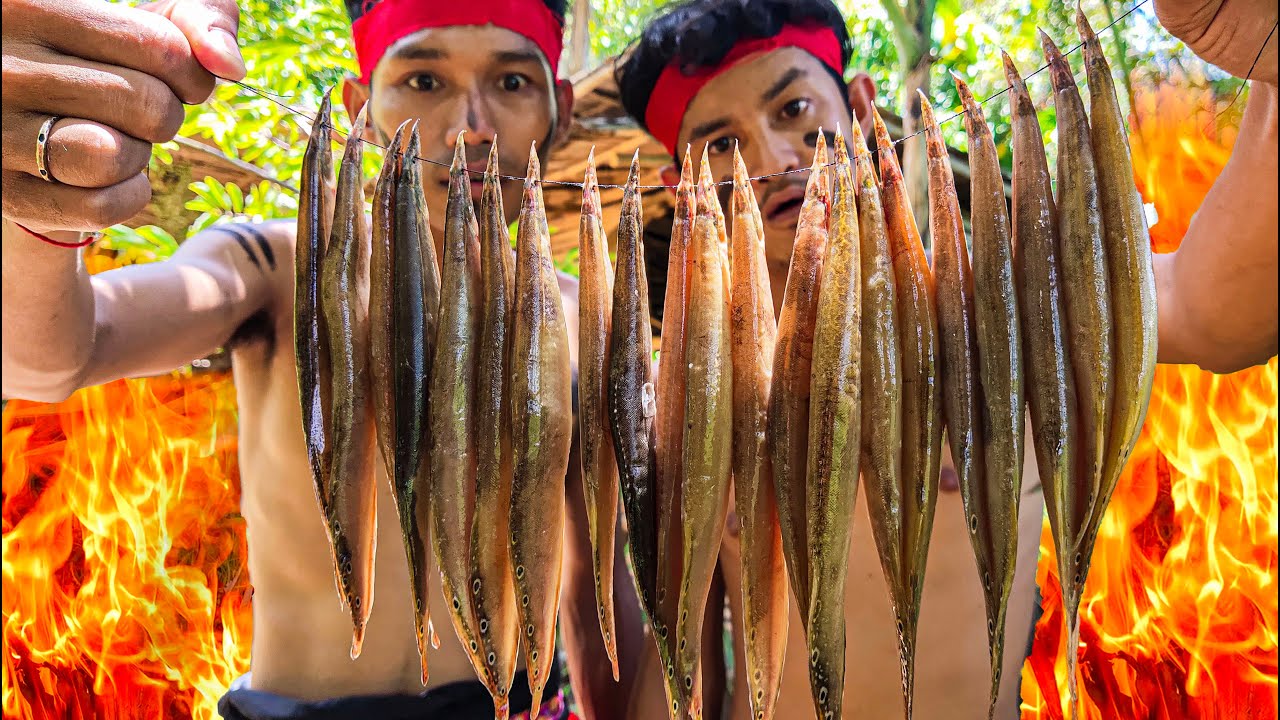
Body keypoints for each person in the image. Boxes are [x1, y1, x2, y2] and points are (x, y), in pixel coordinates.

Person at [615, 0, 1277, 717]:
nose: (774, 161)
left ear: (863, 106)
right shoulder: (685, 394)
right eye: (720, 145)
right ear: (681, 191)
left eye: (793, 108)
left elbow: (1216, 316)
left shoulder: (1005, 316)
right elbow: (679, 655)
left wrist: (1271, 61)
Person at [0, 0, 648, 718]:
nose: (473, 127)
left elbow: (597, 591)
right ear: (360, 105)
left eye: (513, 84)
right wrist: (42, 213)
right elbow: (53, 358)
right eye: (425, 81)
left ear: (556, 106)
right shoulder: (278, 265)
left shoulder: (584, 316)